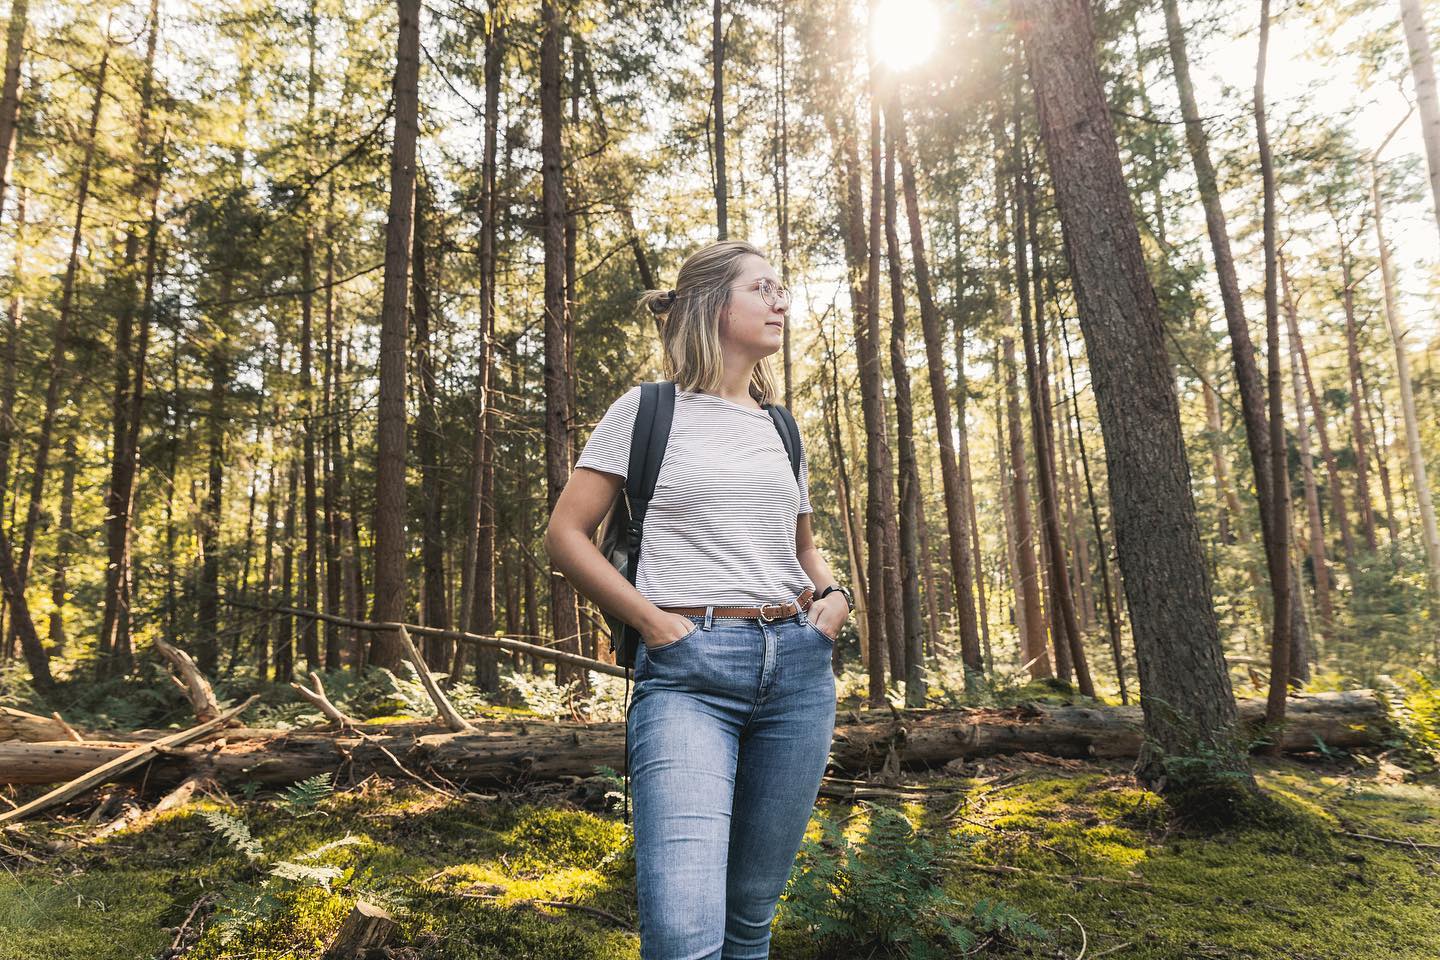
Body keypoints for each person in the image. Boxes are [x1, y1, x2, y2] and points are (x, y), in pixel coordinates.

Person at [544, 239, 853, 959]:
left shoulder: (781, 426)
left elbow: (801, 545)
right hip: (690, 674)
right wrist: (654, 622)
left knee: (749, 920)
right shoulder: (646, 410)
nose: (782, 301)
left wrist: (834, 598)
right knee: (684, 936)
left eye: (784, 289)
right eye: (763, 288)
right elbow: (565, 533)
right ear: (714, 304)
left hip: (799, 675)